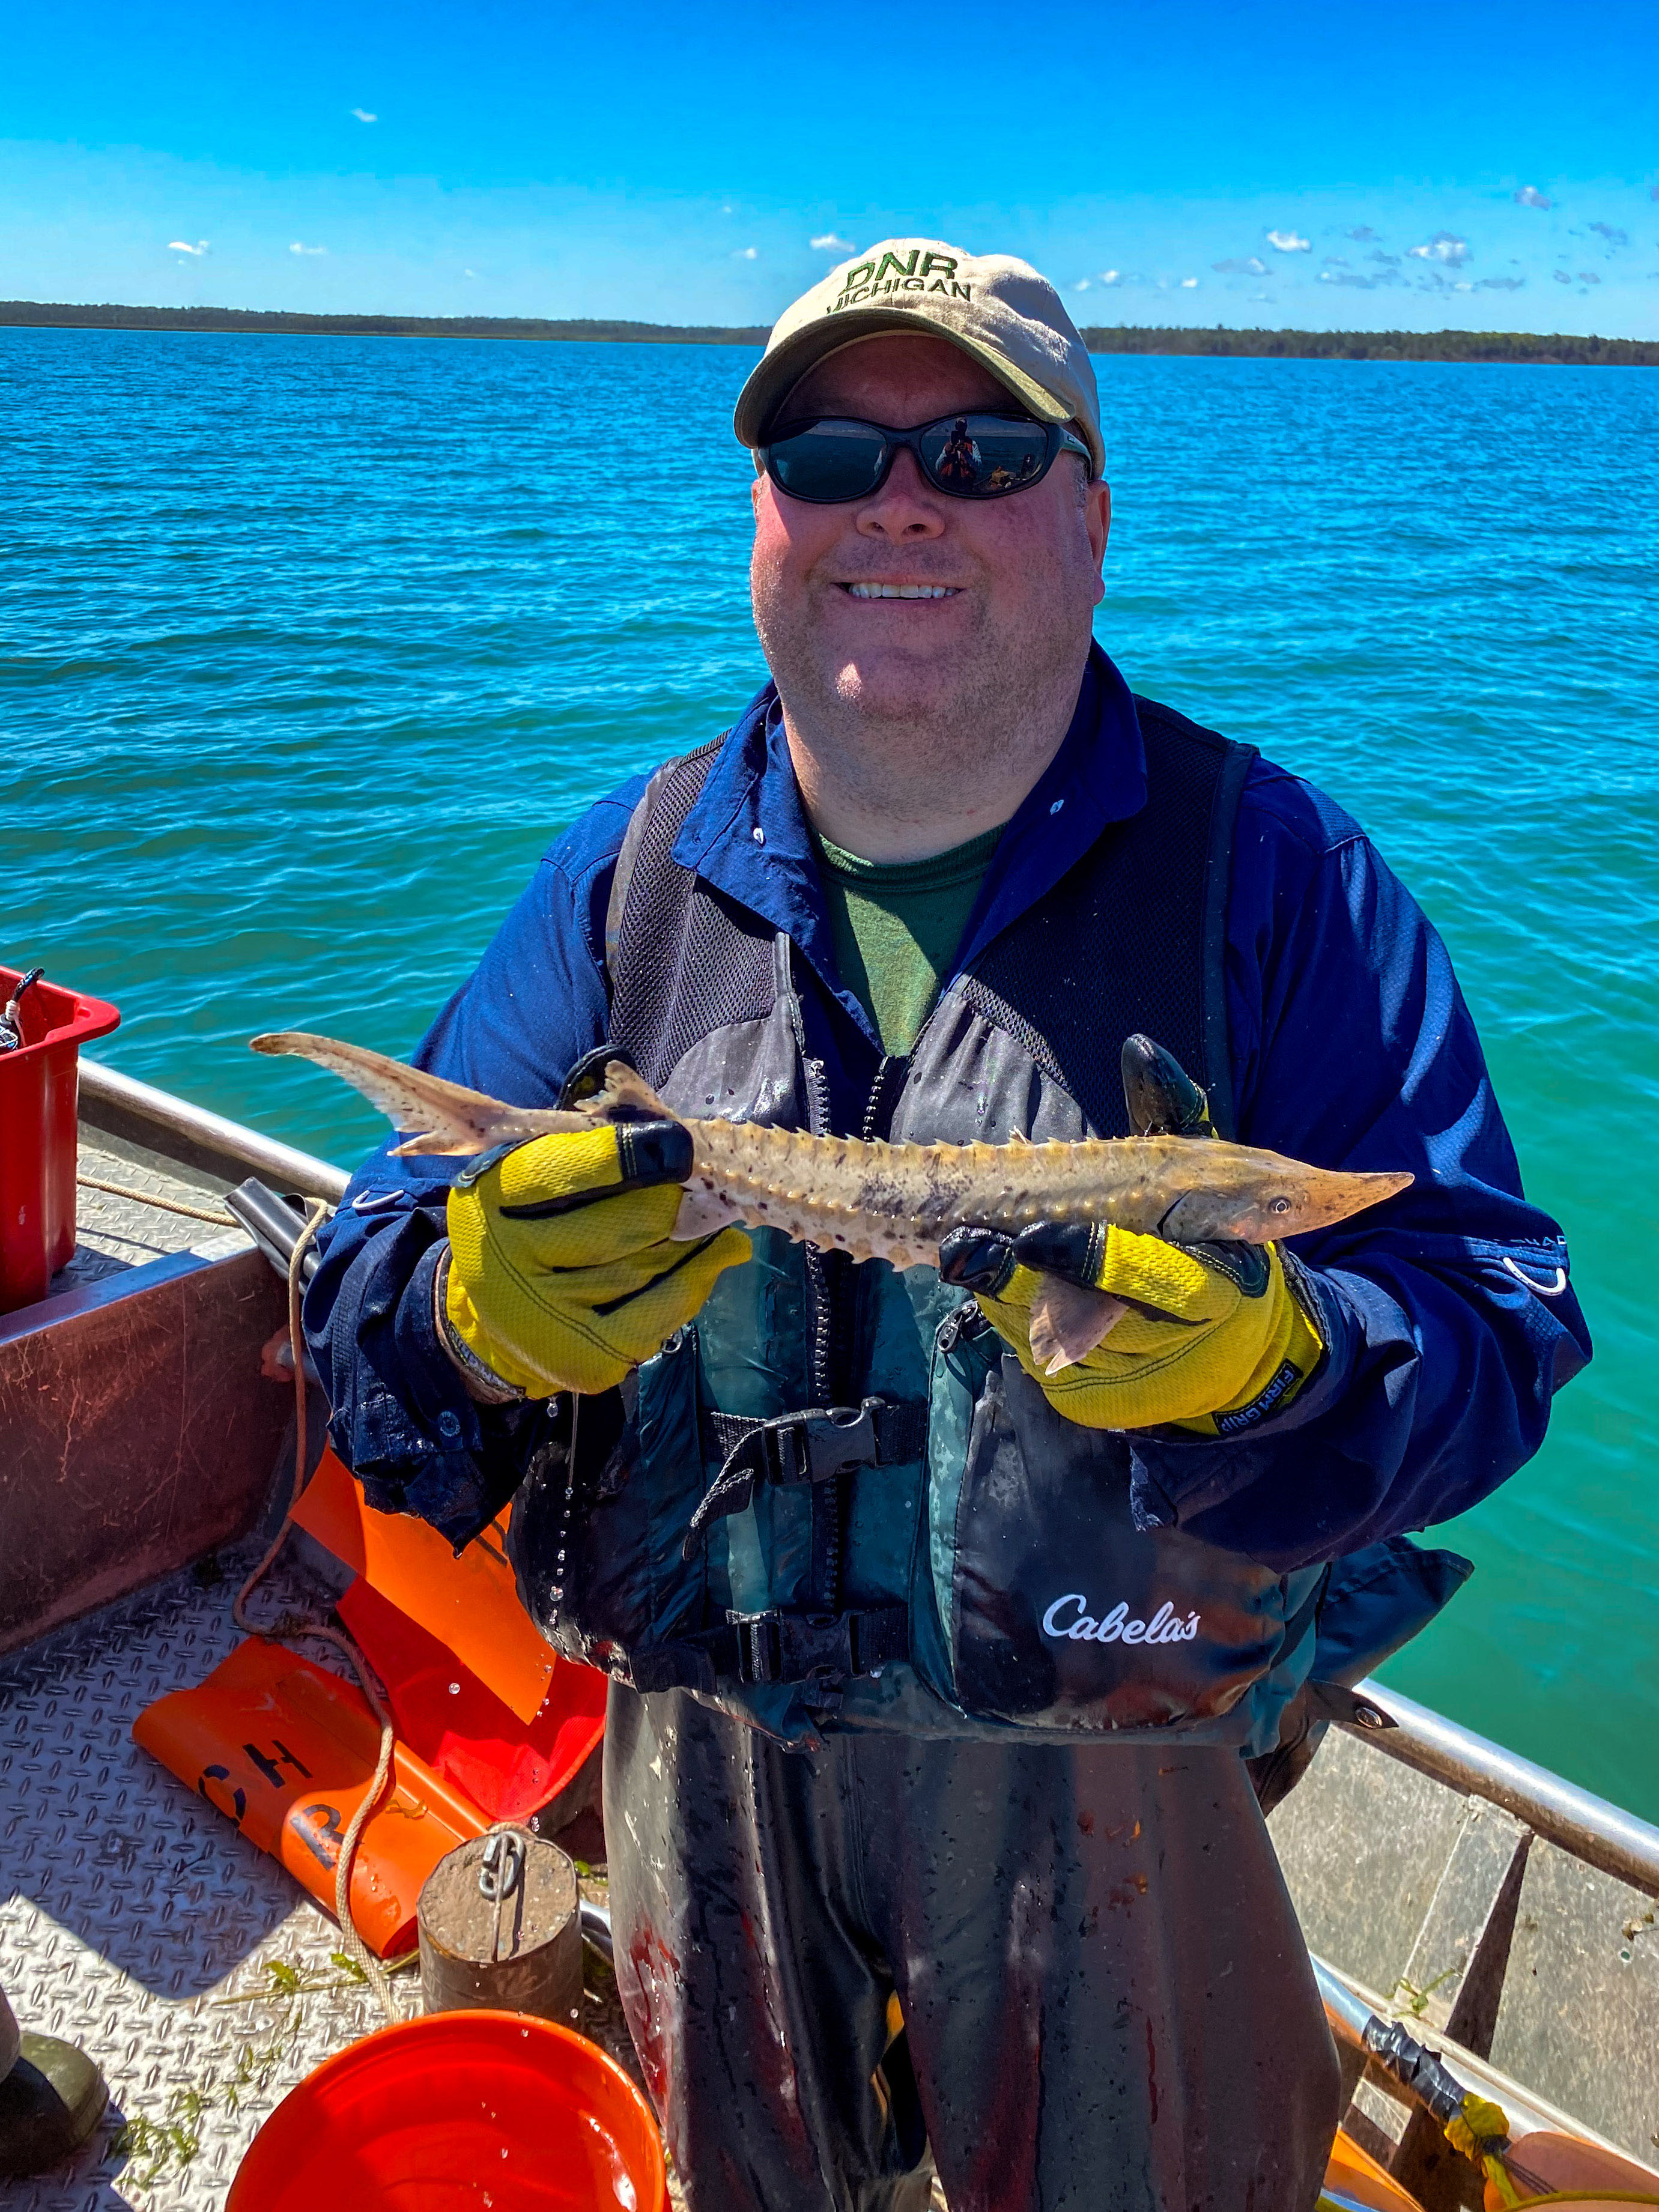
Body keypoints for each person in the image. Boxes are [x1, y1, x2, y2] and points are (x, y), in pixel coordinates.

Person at [305, 240, 1590, 2211]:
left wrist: (1291, 1359)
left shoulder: (1284, 880)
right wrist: (467, 1313)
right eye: (829, 452)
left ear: (1090, 511)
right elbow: (363, 1297)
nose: (897, 499)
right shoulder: (627, 873)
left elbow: (1494, 1318)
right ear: (763, 514)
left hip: (1117, 1782)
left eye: (982, 451)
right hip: (700, 1752)